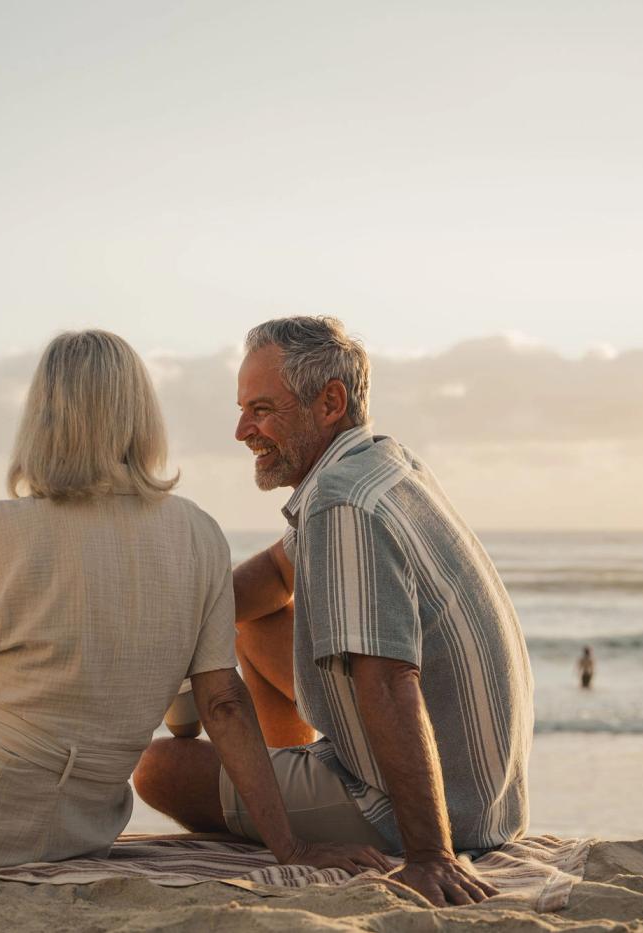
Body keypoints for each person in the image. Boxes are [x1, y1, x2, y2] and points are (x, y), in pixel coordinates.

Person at [0, 329, 390, 875]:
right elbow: (220, 704)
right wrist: (291, 847)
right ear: (142, 418)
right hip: (80, 833)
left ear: (42, 417)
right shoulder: (197, 533)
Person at [133, 316, 534, 907]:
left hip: (430, 814)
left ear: (330, 402)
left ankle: (305, 811)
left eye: (263, 409)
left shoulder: (340, 505)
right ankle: (285, 781)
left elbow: (392, 682)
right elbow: (273, 576)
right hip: (487, 791)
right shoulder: (379, 464)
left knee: (158, 769)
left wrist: (429, 856)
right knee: (255, 623)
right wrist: (175, 627)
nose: (243, 429)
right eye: (244, 408)